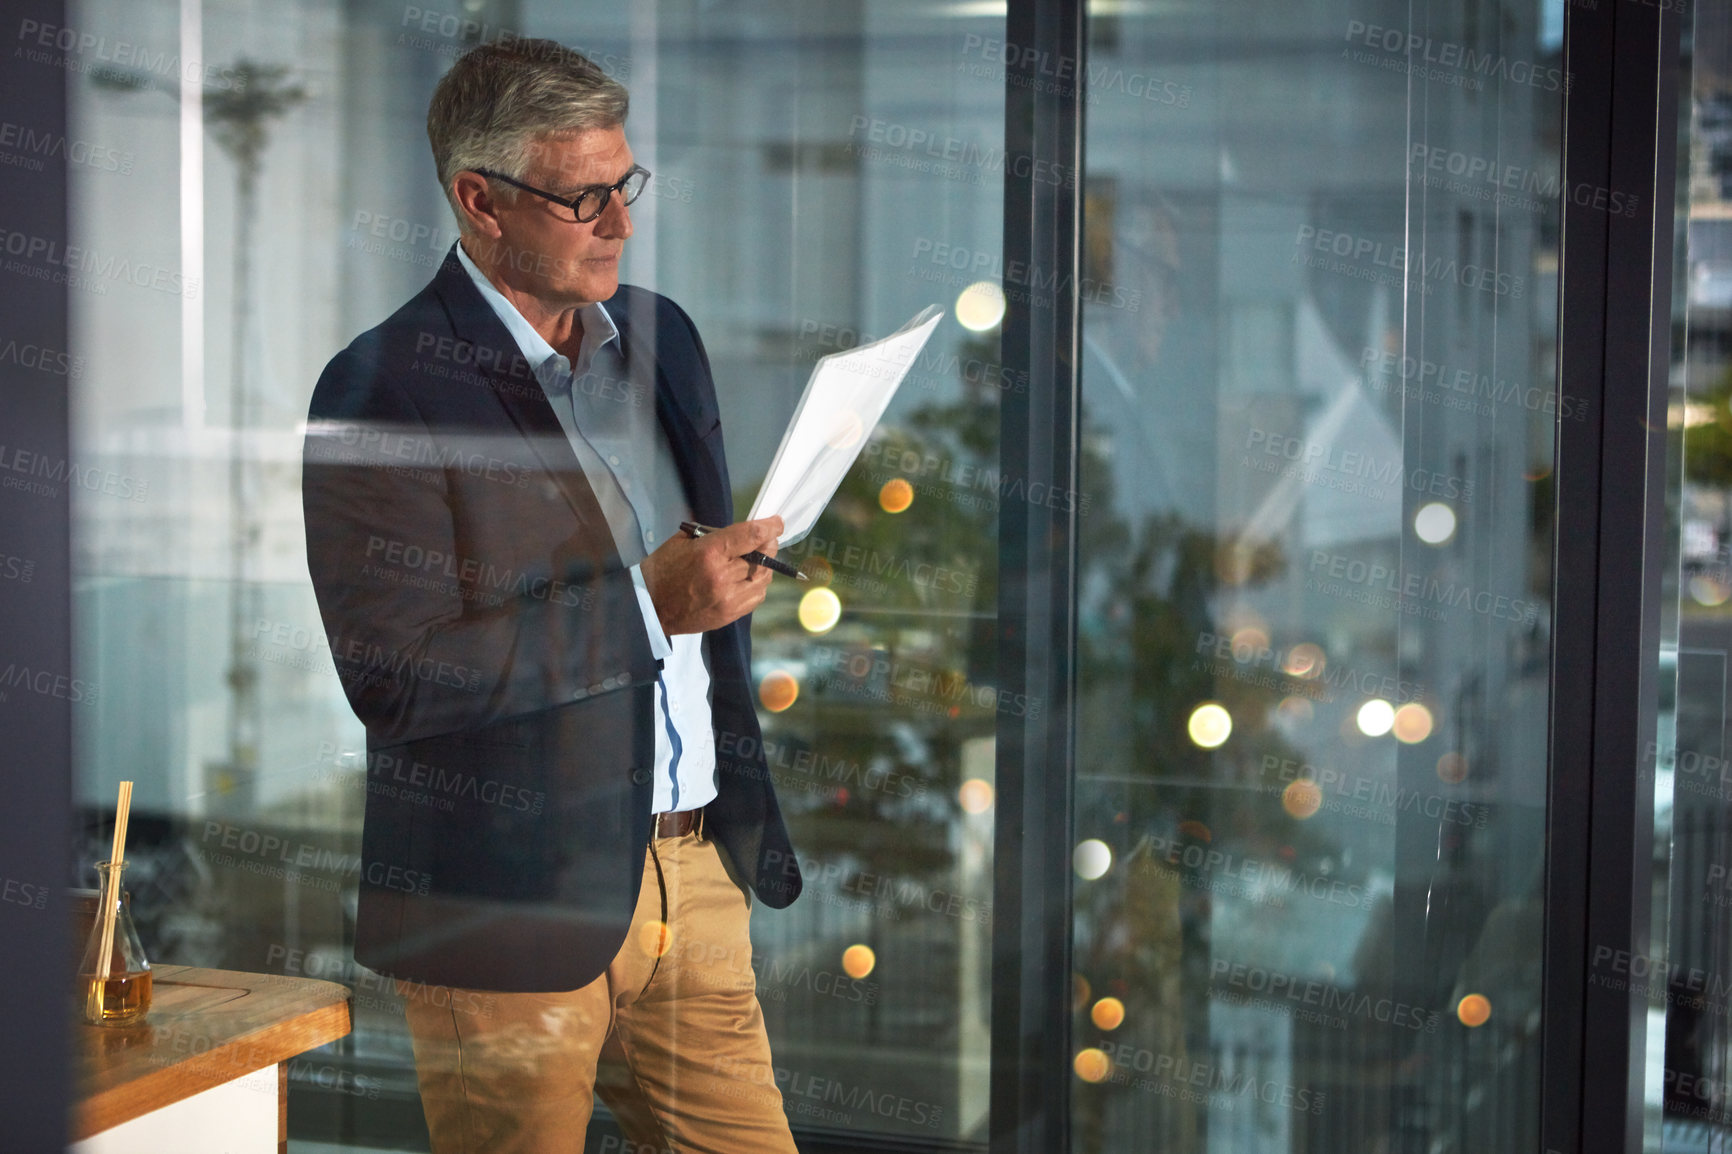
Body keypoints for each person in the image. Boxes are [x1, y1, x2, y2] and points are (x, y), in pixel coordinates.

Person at [301, 37, 803, 1154]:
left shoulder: (665, 337)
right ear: (478, 200)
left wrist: (718, 580)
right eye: (584, 199)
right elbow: (395, 673)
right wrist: (646, 606)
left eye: (622, 185)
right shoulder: (383, 386)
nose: (620, 223)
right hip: (509, 906)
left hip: (694, 867)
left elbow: (677, 582)